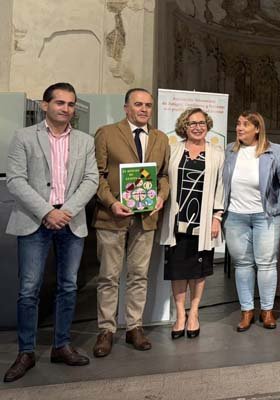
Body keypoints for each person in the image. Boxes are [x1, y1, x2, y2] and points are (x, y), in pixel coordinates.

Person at [4, 83, 98, 382]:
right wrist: (47, 212)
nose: (65, 109)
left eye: (70, 104)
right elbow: (15, 181)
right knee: (28, 290)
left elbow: (91, 179)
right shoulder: (23, 136)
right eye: (59, 103)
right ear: (45, 105)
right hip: (35, 220)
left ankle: (61, 345)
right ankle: (26, 352)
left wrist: (65, 210)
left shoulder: (85, 141)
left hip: (70, 220)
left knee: (68, 287)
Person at [93, 88, 170, 357]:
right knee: (109, 277)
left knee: (139, 275)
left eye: (148, 105)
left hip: (146, 218)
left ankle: (134, 327)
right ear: (126, 107)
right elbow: (97, 175)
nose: (144, 109)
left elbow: (163, 176)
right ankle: (106, 330)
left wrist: (161, 196)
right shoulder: (107, 133)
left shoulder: (160, 138)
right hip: (112, 216)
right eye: (138, 104)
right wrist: (111, 202)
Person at [159, 108, 225, 339]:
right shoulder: (173, 150)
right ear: (184, 127)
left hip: (203, 222)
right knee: (177, 270)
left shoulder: (217, 153)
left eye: (201, 122)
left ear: (207, 125)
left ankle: (194, 313)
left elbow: (221, 187)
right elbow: (163, 180)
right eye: (192, 123)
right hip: (176, 222)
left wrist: (217, 217)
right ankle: (179, 315)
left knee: (198, 271)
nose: (197, 127)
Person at [223, 111, 280, 331]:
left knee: (267, 263)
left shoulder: (273, 150)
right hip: (235, 216)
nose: (240, 128)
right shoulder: (230, 150)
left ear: (257, 129)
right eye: (238, 124)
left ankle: (267, 311)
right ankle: (247, 311)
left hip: (266, 215)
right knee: (242, 264)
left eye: (245, 125)